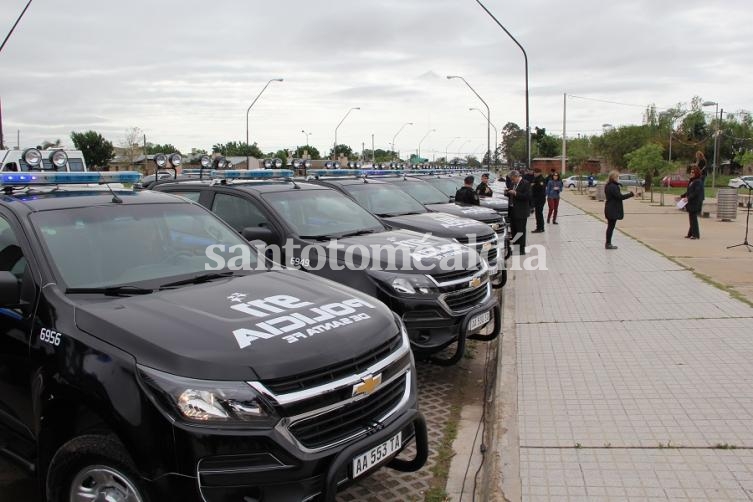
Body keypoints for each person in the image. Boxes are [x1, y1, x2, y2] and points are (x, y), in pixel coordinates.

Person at [604, 170, 635, 250]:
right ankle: (608, 244)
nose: (618, 178)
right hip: (612, 209)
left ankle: (608, 243)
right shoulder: (613, 186)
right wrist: (631, 194)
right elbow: (620, 197)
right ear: (613, 177)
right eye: (617, 177)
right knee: (610, 227)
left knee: (610, 227)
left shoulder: (609, 185)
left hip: (610, 208)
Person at [504, 170, 531, 255]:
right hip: (512, 211)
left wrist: (516, 193)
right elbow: (511, 194)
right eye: (511, 180)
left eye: (513, 179)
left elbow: (527, 196)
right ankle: (515, 247)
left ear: (516, 176)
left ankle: (521, 249)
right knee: (514, 230)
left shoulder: (525, 183)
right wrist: (507, 193)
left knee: (521, 230)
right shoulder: (513, 184)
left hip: (521, 212)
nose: (512, 181)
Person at [682, 167, 705, 239]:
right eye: (691, 172)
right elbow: (689, 191)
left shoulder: (698, 181)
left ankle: (696, 235)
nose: (691, 174)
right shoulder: (692, 181)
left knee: (693, 218)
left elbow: (696, 192)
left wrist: (688, 198)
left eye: (693, 172)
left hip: (696, 202)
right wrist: (682, 196)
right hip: (691, 202)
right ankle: (690, 234)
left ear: (696, 173)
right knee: (691, 218)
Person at [531, 168, 547, 233]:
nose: (534, 173)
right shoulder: (536, 179)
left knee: (539, 214)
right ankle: (540, 227)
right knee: (538, 214)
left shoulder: (541, 179)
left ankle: (540, 228)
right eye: (534, 172)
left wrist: (533, 185)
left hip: (540, 199)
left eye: (535, 172)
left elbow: (541, 188)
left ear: (539, 173)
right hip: (537, 199)